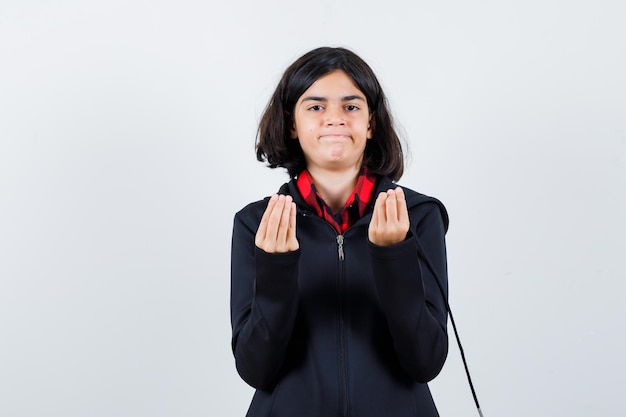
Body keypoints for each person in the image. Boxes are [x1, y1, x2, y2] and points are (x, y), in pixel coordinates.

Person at [230, 46, 449, 417]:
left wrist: (393, 256)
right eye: (316, 107)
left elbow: (425, 362)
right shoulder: (257, 224)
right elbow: (256, 369)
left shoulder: (417, 216)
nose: (335, 118)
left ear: (370, 122)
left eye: (351, 106)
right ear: (292, 124)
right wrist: (276, 268)